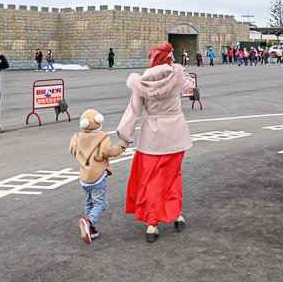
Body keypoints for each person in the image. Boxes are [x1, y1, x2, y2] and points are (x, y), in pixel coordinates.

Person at [116, 43, 193, 244]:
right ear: (169, 58)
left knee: (152, 180)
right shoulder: (177, 75)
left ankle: (152, 224)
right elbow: (189, 85)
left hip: (152, 136)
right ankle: (176, 215)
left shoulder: (142, 80)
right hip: (176, 133)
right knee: (173, 175)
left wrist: (124, 138)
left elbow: (133, 111)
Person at [70, 109, 126, 243]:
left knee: (89, 202)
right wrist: (121, 147)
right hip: (97, 177)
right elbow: (109, 151)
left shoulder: (80, 139)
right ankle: (89, 222)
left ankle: (90, 228)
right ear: (99, 123)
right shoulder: (102, 138)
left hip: (84, 177)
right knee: (100, 203)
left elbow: (72, 149)